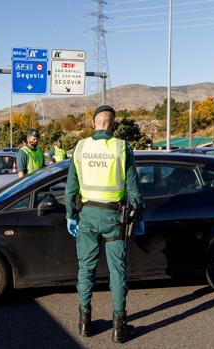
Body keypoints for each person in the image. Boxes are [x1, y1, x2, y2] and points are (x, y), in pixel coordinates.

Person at [64, 105, 144, 343]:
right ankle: (119, 328)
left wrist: (70, 214)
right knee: (117, 272)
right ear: (114, 126)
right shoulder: (121, 147)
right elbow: (133, 186)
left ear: (93, 124)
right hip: (113, 218)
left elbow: (71, 186)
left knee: (85, 270)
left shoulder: (80, 147)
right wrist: (139, 215)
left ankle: (84, 324)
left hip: (87, 215)